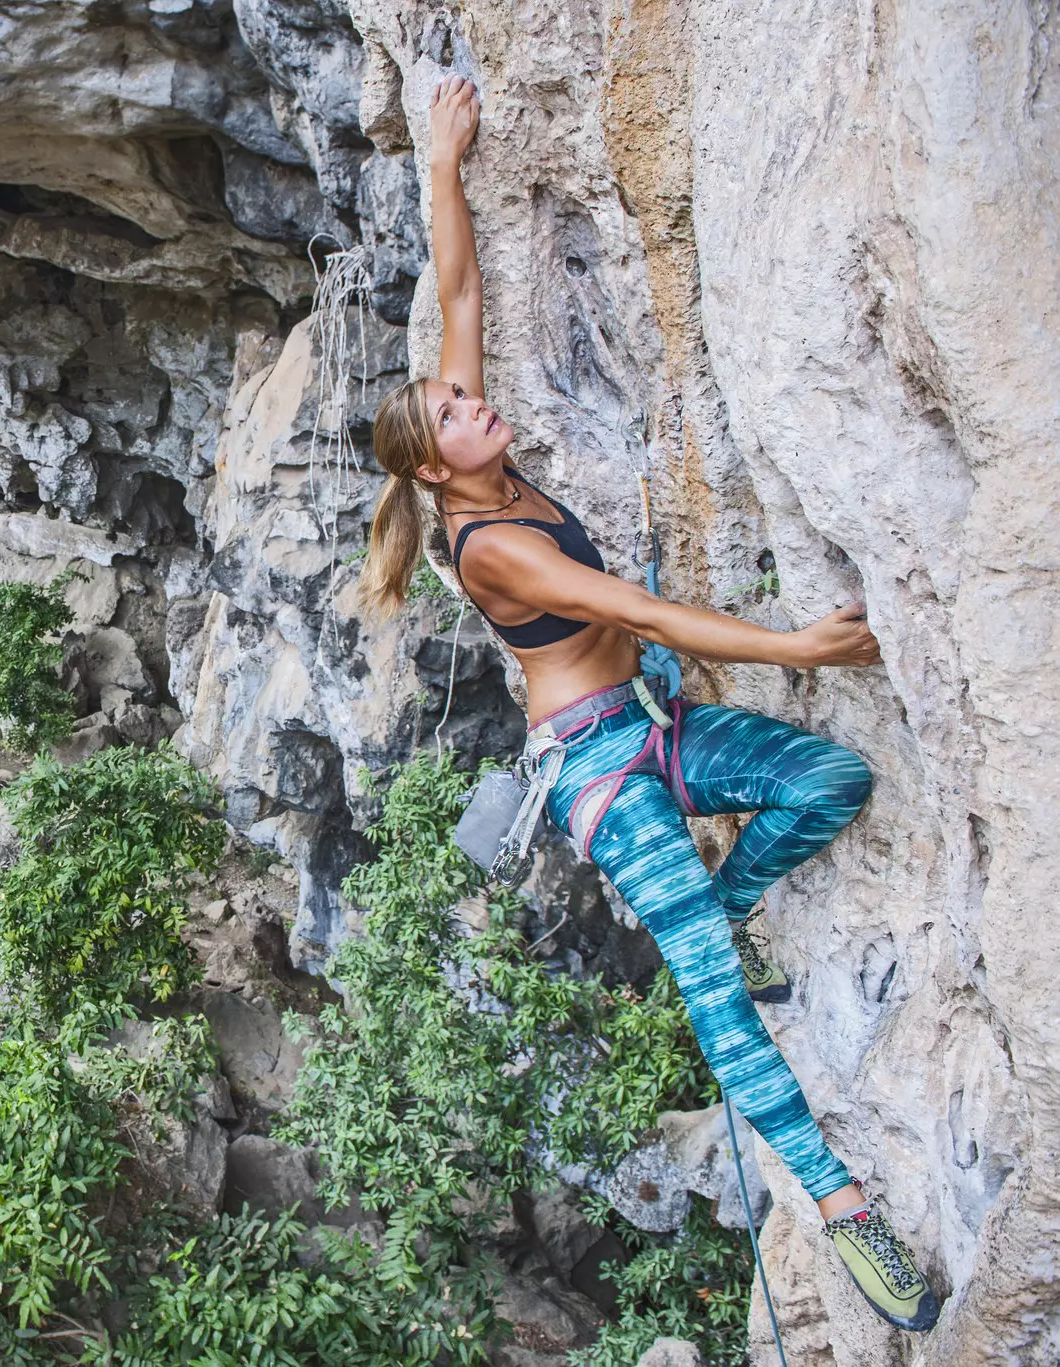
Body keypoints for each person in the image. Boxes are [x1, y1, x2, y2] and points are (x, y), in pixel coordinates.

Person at [357, 74, 939, 1334]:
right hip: (603, 774)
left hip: (656, 724)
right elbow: (644, 609)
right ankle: (845, 1212)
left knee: (827, 782)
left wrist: (443, 163)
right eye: (452, 411)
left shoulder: (481, 460)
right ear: (428, 466)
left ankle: (714, 916)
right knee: (717, 1001)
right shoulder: (491, 548)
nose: (470, 399)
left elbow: (459, 294)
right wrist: (795, 645)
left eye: (461, 396)